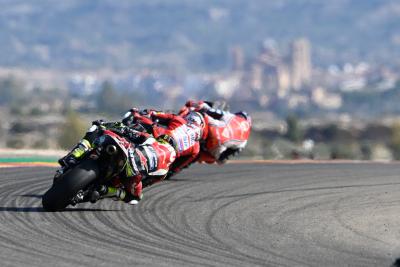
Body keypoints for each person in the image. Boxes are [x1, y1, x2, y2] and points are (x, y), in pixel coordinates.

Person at [58, 120, 176, 205]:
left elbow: (126, 130)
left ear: (163, 140)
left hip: (128, 154)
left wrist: (105, 125)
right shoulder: (163, 172)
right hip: (132, 173)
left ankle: (73, 156)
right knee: (133, 198)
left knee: (96, 129)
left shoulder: (152, 140)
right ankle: (105, 190)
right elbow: (145, 183)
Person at [128, 109, 207, 175]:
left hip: (156, 137)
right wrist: (173, 170)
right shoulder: (196, 148)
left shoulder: (179, 119)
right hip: (168, 157)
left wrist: (147, 113)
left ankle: (125, 132)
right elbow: (180, 165)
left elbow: (155, 114)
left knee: (140, 118)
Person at [179, 100, 251, 164]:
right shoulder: (244, 142)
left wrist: (195, 105)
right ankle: (192, 158)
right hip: (217, 146)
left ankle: (179, 123)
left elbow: (209, 111)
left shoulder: (231, 116)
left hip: (213, 126)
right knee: (213, 159)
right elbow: (223, 158)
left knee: (198, 114)